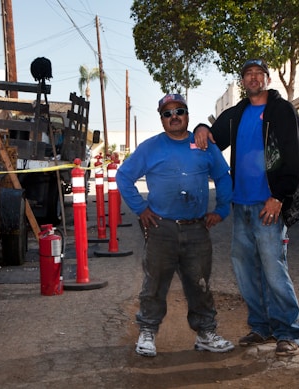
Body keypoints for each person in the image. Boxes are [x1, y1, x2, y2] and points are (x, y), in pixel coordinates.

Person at [194, 58, 299, 356]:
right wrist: (202, 127)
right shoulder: (237, 114)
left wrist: (279, 197)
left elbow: (294, 158)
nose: (254, 78)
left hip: (268, 204)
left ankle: (288, 331)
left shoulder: (282, 111)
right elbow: (213, 136)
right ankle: (261, 326)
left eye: (259, 74)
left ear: (267, 79)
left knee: (273, 269)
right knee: (244, 270)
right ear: (243, 81)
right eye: (248, 74)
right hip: (242, 205)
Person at [116, 93, 234, 357]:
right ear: (161, 120)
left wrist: (222, 210)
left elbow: (223, 178)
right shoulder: (150, 148)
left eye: (179, 111)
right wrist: (141, 208)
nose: (174, 117)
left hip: (197, 228)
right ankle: (147, 332)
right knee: (155, 283)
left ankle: (205, 333)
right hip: (161, 229)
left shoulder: (203, 144)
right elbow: (123, 176)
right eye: (167, 113)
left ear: (187, 115)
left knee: (199, 283)